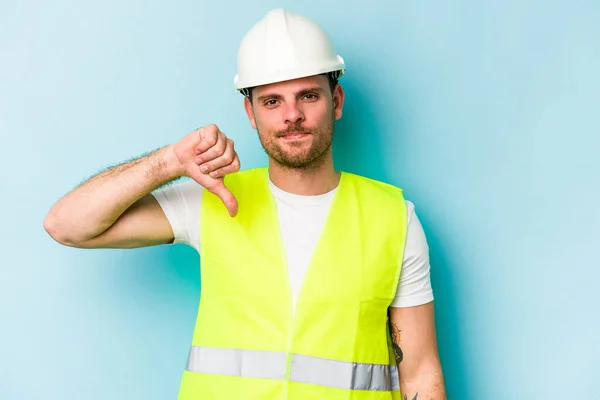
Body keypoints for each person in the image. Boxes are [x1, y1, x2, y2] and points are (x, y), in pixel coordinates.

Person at [44, 8, 446, 400]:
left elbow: (420, 371)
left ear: (336, 101)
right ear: (250, 112)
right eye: (272, 101)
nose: (292, 116)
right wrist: (169, 162)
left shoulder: (394, 219)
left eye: (308, 95)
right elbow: (67, 225)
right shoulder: (209, 201)